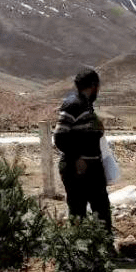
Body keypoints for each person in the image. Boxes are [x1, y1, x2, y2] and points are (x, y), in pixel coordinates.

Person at [54, 68, 111, 233]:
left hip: (93, 167)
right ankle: (80, 251)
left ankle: (104, 248)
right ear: (93, 85)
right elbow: (59, 137)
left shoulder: (87, 106)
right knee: (78, 211)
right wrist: (77, 157)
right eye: (98, 86)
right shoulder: (73, 104)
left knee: (101, 208)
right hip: (77, 168)